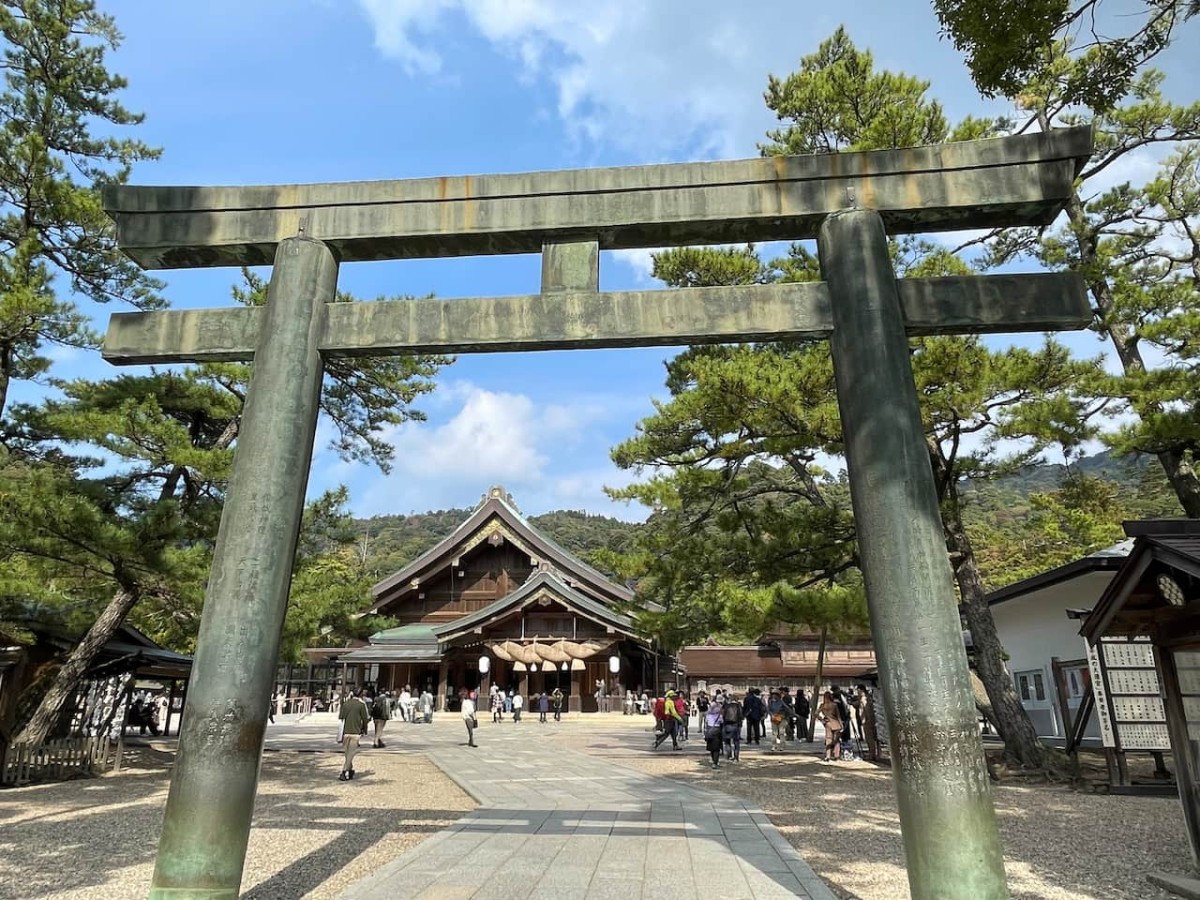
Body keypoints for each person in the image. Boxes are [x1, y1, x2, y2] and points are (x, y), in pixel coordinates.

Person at [338, 688, 370, 781]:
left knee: (347, 753)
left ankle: (350, 770)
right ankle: (344, 771)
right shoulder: (361, 705)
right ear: (360, 695)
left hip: (346, 731)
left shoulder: (346, 704)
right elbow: (365, 719)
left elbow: (341, 716)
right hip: (356, 731)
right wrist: (365, 729)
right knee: (351, 753)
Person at [818, 690, 843, 762]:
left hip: (827, 723)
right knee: (836, 740)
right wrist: (841, 725)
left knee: (828, 739)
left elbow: (816, 713)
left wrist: (822, 720)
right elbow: (838, 716)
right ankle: (836, 755)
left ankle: (828, 755)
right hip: (836, 723)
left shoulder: (822, 706)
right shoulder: (834, 705)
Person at [858, 685, 880, 762]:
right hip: (872, 720)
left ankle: (872, 754)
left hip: (868, 721)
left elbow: (866, 711)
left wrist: (865, 720)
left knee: (869, 738)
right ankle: (877, 753)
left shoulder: (864, 699)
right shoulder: (869, 698)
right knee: (875, 738)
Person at [721, 692, 744, 761]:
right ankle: (736, 756)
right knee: (736, 742)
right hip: (736, 725)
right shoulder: (738, 706)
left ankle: (728, 755)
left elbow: (723, 715)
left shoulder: (727, 706)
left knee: (727, 741)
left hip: (727, 725)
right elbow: (741, 716)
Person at [703, 699, 725, 769]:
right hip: (717, 730)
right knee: (716, 748)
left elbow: (706, 723)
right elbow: (722, 722)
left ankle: (713, 760)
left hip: (710, 730)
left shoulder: (708, 715)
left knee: (712, 747)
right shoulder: (719, 716)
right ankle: (715, 762)